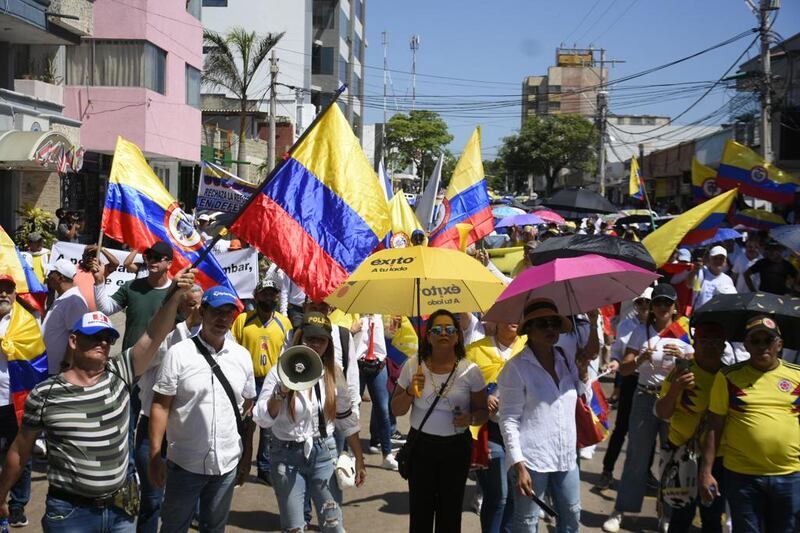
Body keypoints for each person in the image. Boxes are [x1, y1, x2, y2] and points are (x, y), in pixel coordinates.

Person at [0, 268, 196, 532]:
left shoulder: (120, 372)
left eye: (107, 338)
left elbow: (152, 336)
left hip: (120, 511)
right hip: (70, 514)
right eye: (94, 336)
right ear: (73, 340)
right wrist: (2, 494)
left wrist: (174, 296)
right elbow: (20, 450)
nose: (102, 342)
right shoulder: (46, 393)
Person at [149, 285, 256, 533]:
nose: (222, 319)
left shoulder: (242, 356)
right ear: (203, 312)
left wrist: (246, 457)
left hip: (227, 465)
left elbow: (247, 410)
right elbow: (160, 405)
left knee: (214, 528)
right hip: (185, 465)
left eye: (229, 313)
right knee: (174, 527)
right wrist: (155, 455)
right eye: (217, 311)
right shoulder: (178, 353)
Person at [253, 312, 366, 533]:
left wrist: (359, 459)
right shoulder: (279, 371)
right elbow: (262, 418)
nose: (314, 344)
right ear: (299, 337)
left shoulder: (334, 373)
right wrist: (281, 392)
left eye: (321, 340)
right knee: (294, 527)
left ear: (328, 344)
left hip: (324, 453)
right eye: (309, 338)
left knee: (333, 524)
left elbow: (346, 419)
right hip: (286, 456)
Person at [603, 284, 694, 533]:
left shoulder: (684, 331)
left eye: (668, 303)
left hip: (674, 400)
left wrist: (685, 360)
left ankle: (666, 514)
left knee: (671, 459)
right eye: (658, 303)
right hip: (644, 397)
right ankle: (620, 510)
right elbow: (625, 368)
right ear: (651, 306)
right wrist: (641, 358)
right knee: (636, 457)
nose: (663, 307)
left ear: (675, 307)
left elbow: (696, 369)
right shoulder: (640, 331)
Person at [497, 299, 591, 533]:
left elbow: (578, 398)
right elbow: (508, 419)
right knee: (528, 522)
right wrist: (519, 466)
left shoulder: (566, 359)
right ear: (528, 329)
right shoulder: (516, 368)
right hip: (532, 459)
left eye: (553, 323)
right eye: (542, 324)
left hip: (566, 454)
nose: (550, 329)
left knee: (571, 513)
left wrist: (582, 376)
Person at [700, 316, 800, 533]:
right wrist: (706, 472)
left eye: (768, 340)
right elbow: (715, 426)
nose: (762, 346)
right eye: (755, 341)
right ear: (746, 346)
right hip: (742, 475)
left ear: (779, 345)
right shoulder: (727, 377)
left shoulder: (797, 376)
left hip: (789, 474)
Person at [392, 310, 488, 533]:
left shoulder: (471, 370)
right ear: (428, 336)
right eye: (437, 329)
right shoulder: (413, 365)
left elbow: (482, 411)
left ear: (457, 336)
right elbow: (396, 410)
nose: (443, 333)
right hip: (421, 447)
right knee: (420, 514)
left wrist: (471, 418)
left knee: (450, 514)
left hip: (456, 448)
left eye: (449, 329)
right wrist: (409, 391)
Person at [134, 285, 203, 533]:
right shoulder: (162, 337)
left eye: (199, 304)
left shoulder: (210, 341)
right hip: (152, 427)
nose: (195, 310)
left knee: (184, 498)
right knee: (152, 498)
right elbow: (147, 360)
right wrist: (178, 329)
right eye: (189, 305)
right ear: (179, 306)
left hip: (184, 429)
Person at [655, 322, 726, 533]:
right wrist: (676, 387)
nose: (710, 347)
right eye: (705, 341)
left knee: (713, 518)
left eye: (716, 342)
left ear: (724, 346)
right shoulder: (681, 371)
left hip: (718, 459)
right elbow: (662, 412)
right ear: (695, 344)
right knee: (680, 516)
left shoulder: (731, 377)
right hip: (682, 454)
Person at [231, 277, 292, 484]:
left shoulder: (284, 323)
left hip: (271, 381)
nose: (268, 297)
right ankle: (239, 465)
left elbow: (288, 352)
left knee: (268, 429)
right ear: (256, 296)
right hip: (247, 380)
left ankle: (264, 467)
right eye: (264, 294)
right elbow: (232, 348)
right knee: (245, 426)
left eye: (272, 294)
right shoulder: (242, 320)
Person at [466, 322, 526, 533]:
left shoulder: (530, 346)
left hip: (521, 433)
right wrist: (484, 398)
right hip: (487, 432)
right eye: (507, 314)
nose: (514, 319)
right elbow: (461, 389)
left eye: (518, 314)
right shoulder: (474, 350)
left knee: (512, 496)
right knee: (498, 497)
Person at [596, 287, 652, 490]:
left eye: (648, 302)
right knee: (622, 427)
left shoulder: (665, 327)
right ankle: (607, 470)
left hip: (653, 384)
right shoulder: (627, 324)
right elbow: (619, 352)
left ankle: (646, 473)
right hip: (630, 378)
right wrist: (616, 362)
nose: (644, 306)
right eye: (640, 302)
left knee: (649, 430)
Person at [0, 274, 35, 527]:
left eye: (8, 289)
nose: (3, 294)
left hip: (16, 401)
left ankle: (17, 505)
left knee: (20, 453)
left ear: (16, 293)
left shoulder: (26, 322)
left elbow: (36, 360)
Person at [353, 313, 398, 470]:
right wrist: (351, 330)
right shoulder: (353, 315)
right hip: (357, 366)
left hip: (379, 366)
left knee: (383, 409)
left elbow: (390, 335)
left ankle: (387, 455)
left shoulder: (382, 316)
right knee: (353, 411)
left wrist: (393, 327)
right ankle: (351, 455)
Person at [42, 259, 89, 374]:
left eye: (51, 273)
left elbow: (77, 335)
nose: (48, 276)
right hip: (48, 366)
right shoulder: (64, 297)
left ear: (60, 277)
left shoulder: (74, 300)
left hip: (58, 369)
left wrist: (67, 364)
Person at [676, 246, 736, 311]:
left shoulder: (728, 280)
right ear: (709, 259)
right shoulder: (700, 273)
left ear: (725, 262)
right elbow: (689, 285)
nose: (718, 261)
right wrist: (694, 270)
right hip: (700, 315)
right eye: (715, 258)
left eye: (721, 259)